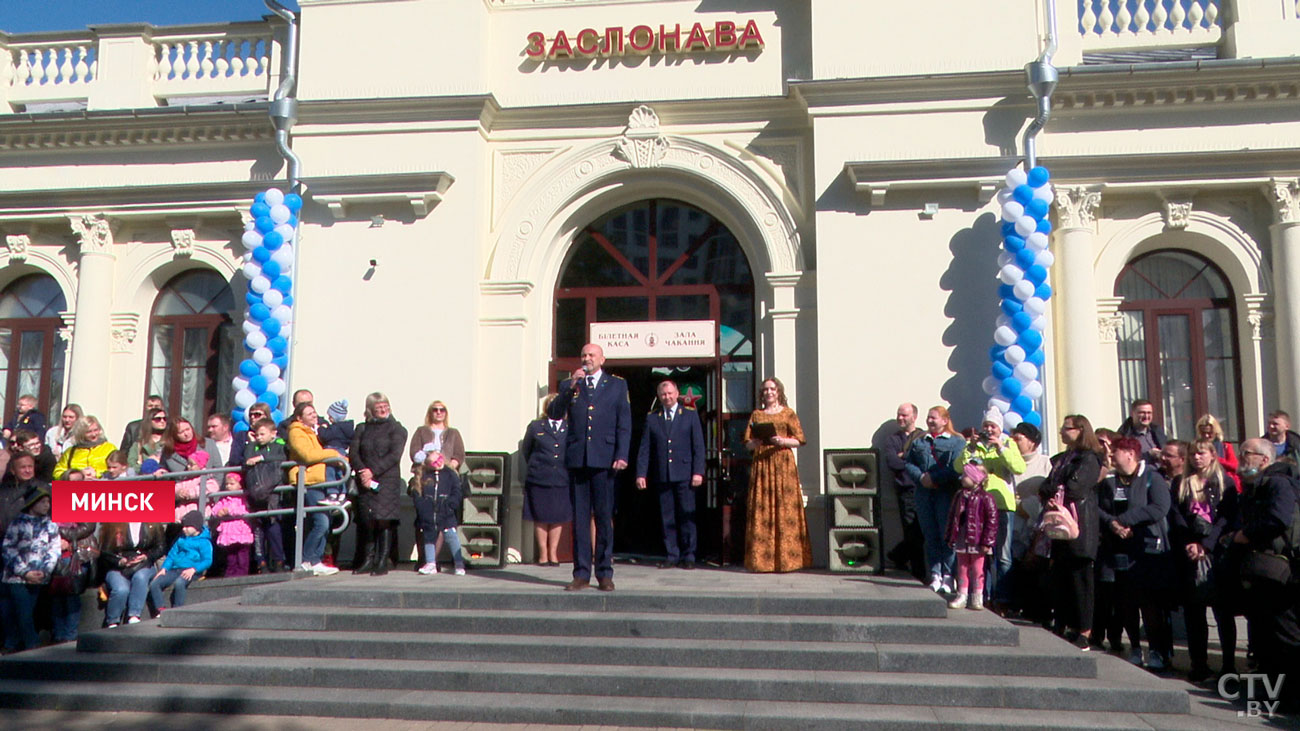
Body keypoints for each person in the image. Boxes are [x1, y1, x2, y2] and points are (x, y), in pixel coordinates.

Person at [548, 343, 631, 591]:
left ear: (602, 359)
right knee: (580, 519)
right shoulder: (570, 385)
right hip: (578, 460)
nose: (586, 358)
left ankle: (604, 573)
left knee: (604, 518)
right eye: (583, 354)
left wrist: (622, 454)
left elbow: (623, 423)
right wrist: (569, 387)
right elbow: (554, 413)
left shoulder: (617, 385)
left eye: (591, 355)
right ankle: (581, 573)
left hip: (605, 460)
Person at [1225, 438, 1299, 709]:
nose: (1241, 460)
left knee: (1284, 633)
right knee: (1266, 635)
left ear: (1264, 460)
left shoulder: (1277, 483)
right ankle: (1275, 693)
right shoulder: (1255, 487)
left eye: (1246, 455)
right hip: (1261, 571)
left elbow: (1279, 518)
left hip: (1278, 572)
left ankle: (1291, 695)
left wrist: (1246, 534)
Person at [1096, 437, 1173, 669]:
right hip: (1119, 547)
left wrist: (1126, 521)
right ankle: (1135, 648)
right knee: (1126, 602)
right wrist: (1113, 524)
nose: (1111, 456)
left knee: (1148, 603)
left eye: (1115, 451)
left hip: (1147, 549)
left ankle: (1157, 651)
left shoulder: (1151, 477)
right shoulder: (1109, 481)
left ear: (1130, 453)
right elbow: (1098, 508)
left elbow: (1159, 507)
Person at [1170, 438, 1238, 682]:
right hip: (1190, 551)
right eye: (1193, 454)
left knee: (1223, 611)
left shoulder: (1223, 483)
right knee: (1194, 612)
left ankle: (1228, 664)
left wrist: (1207, 546)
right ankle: (1198, 663)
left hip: (1216, 552)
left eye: (1201, 454)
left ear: (1212, 455)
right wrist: (1189, 542)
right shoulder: (1181, 483)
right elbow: (1176, 515)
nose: (1196, 458)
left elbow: (1227, 519)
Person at [1045, 414, 1104, 649]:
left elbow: (1076, 487)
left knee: (1081, 579)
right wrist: (1052, 490)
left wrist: (1056, 487)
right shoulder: (1064, 459)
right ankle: (1066, 623)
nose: (1061, 431)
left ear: (1080, 430)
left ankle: (1085, 630)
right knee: (1063, 575)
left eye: (1066, 428)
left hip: (1080, 524)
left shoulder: (1089, 458)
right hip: (1060, 524)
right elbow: (1046, 485)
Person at [742, 377, 812, 574]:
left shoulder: (789, 413)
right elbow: (747, 442)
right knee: (762, 508)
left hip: (783, 464)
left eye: (772, 389)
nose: (768, 392)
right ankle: (762, 561)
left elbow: (800, 440)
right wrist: (753, 444)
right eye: (765, 390)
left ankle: (787, 561)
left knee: (784, 507)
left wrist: (782, 440)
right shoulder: (756, 414)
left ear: (779, 391)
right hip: (763, 464)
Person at [956, 409, 1025, 608]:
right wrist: (969, 448)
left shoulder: (1008, 443)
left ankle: (1002, 599)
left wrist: (1001, 448)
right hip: (977, 506)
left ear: (999, 428)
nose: (989, 429)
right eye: (986, 425)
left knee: (1002, 555)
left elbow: (1019, 467)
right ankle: (981, 595)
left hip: (1002, 505)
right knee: (979, 553)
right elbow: (958, 468)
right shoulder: (975, 446)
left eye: (993, 426)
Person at [636, 380, 706, 570]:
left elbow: (698, 446)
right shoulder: (653, 418)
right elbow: (645, 449)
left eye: (670, 393)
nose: (667, 397)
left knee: (686, 516)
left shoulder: (690, 416)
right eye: (663, 394)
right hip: (662, 474)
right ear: (659, 397)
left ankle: (689, 554)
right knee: (667, 517)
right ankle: (672, 554)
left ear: (677, 394)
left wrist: (698, 471)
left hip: (685, 474)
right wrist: (641, 473)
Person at [904, 405, 964, 593]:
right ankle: (935, 573)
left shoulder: (956, 442)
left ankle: (948, 575)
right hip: (924, 494)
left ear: (945, 421)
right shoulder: (919, 441)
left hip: (945, 493)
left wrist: (935, 478)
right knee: (930, 534)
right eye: (929, 417)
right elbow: (909, 462)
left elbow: (956, 467)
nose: (930, 421)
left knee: (946, 535)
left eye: (934, 418)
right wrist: (921, 478)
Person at [349, 392, 407, 576]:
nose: (383, 409)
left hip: (386, 480)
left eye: (385, 405)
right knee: (368, 521)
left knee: (384, 520)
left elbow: (394, 455)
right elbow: (354, 453)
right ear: (370, 410)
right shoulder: (362, 428)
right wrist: (363, 472)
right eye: (378, 407)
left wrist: (372, 471)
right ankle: (368, 559)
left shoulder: (396, 429)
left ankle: (382, 560)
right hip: (365, 480)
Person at [285, 402, 342, 576]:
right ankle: (308, 559)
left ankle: (316, 559)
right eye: (309, 413)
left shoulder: (314, 432)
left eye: (314, 412)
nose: (314, 415)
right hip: (309, 481)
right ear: (299, 418)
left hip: (320, 480)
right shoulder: (296, 432)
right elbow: (308, 455)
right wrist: (332, 453)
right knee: (320, 522)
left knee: (324, 522)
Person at [1, 484, 58, 652]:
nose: (46, 505)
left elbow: (53, 549)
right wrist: (24, 572)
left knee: (25, 613)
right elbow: (8, 549)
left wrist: (45, 570)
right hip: (16, 578)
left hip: (39, 577)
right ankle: (31, 646)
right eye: (42, 502)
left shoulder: (50, 525)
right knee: (21, 613)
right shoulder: (18, 523)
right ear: (32, 504)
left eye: (48, 502)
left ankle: (13, 646)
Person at [522, 395, 571, 567]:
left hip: (561, 477)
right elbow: (526, 450)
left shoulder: (569, 427)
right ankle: (543, 554)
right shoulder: (536, 426)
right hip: (540, 478)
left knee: (558, 517)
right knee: (541, 516)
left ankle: (553, 553)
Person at [945, 462, 998, 610]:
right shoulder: (959, 495)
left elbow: (992, 521)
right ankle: (962, 595)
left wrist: (987, 541)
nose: (962, 478)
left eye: (966, 475)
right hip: (962, 536)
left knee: (977, 568)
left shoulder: (986, 498)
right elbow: (952, 517)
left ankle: (977, 596)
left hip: (978, 539)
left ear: (976, 478)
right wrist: (950, 536)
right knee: (962, 567)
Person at [884, 403, 927, 581]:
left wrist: (905, 456)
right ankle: (919, 573)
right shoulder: (893, 440)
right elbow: (893, 463)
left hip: (925, 490)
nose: (900, 418)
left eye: (904, 415)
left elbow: (927, 461)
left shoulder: (924, 437)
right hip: (906, 490)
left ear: (914, 417)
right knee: (911, 531)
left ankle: (898, 555)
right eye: (899, 415)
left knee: (922, 531)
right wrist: (911, 460)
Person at [98, 521, 166, 626]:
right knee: (121, 590)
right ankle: (112, 621)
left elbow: (160, 547)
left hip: (144, 564)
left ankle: (134, 615)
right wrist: (120, 561)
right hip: (118, 566)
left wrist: (146, 556)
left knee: (141, 577)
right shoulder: (114, 524)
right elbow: (105, 552)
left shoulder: (153, 524)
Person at [243, 418, 288, 574]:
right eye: (257, 434)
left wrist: (262, 458)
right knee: (258, 530)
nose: (259, 437)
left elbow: (282, 458)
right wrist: (251, 443)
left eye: (262, 434)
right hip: (256, 493)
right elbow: (247, 459)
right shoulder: (253, 446)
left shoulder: (279, 445)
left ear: (273, 433)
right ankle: (261, 562)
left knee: (274, 528)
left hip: (273, 495)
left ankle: (278, 560)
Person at [411, 451, 465, 576]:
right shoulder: (424, 476)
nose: (439, 463)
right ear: (429, 465)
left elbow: (457, 491)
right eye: (435, 462)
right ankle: (430, 563)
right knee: (429, 537)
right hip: (429, 513)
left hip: (446, 511)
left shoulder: (450, 474)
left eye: (440, 459)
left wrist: (451, 505)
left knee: (451, 536)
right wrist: (424, 508)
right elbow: (418, 494)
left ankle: (459, 563)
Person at [148, 510, 212, 611]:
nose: (184, 529)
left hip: (191, 571)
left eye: (187, 527)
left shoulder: (204, 542)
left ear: (196, 527)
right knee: (155, 583)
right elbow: (171, 555)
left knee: (179, 583)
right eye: (183, 526)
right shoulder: (180, 539)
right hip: (175, 569)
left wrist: (194, 569)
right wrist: (164, 568)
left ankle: (177, 610)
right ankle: (160, 609)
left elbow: (207, 560)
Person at [49, 520, 96, 643]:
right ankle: (58, 635)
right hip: (52, 554)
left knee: (71, 595)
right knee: (55, 597)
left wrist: (60, 533)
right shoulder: (48, 504)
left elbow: (88, 526)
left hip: (75, 554)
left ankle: (70, 635)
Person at [209, 472, 254, 577]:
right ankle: (230, 575)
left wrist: (229, 510)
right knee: (231, 558)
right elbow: (215, 509)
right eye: (227, 484)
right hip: (229, 534)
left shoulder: (243, 498)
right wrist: (218, 512)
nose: (228, 487)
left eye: (232, 484)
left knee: (242, 557)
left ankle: (241, 575)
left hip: (241, 532)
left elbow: (243, 510)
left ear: (240, 485)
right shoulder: (225, 499)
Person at [408, 400, 466, 473]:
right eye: (435, 410)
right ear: (430, 413)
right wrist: (428, 461)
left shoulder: (453, 433)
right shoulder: (421, 431)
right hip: (425, 472)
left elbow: (459, 455)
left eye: (442, 410)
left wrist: (449, 468)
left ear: (445, 413)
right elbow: (414, 452)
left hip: (447, 473)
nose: (438, 412)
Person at [317, 399, 356, 505]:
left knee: (330, 471)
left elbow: (325, 436)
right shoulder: (347, 428)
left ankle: (332, 494)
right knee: (340, 473)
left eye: (330, 416)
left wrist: (321, 429)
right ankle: (342, 494)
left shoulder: (335, 428)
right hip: (342, 451)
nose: (328, 418)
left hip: (333, 450)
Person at [1117, 399, 1167, 466]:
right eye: (1142, 413)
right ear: (1132, 414)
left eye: (1149, 413)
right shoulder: (1124, 436)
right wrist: (1148, 455)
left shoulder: (1157, 431)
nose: (1146, 416)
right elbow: (1124, 460)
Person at [126, 408, 168, 472]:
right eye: (158, 419)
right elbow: (131, 466)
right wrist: (147, 464)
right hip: (145, 479)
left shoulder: (170, 441)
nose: (162, 421)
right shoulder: (139, 444)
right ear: (149, 421)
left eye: (165, 419)